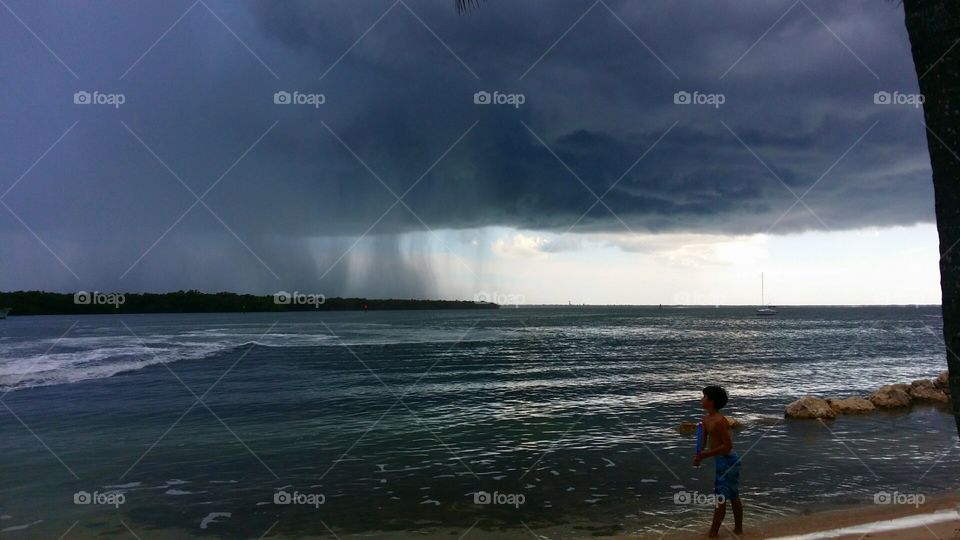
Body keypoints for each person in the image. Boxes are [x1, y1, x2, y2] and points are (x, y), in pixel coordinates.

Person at [692, 385, 743, 537]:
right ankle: (738, 530)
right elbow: (703, 441)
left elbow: (727, 446)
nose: (701, 400)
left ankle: (713, 533)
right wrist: (698, 456)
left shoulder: (720, 421)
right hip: (721, 461)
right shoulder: (705, 419)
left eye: (704, 397)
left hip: (728, 461)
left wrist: (705, 455)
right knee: (732, 495)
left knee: (722, 497)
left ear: (711, 401)